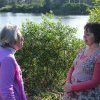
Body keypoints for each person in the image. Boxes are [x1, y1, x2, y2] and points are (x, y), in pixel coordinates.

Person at [62, 22, 100, 100]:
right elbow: (72, 68)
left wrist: (72, 87)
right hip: (70, 93)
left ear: (96, 36)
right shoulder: (82, 50)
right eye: (84, 34)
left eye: (88, 34)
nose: (84, 36)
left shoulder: (98, 54)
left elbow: (95, 81)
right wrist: (68, 83)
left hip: (86, 95)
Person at [0, 24, 27, 100]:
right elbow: (6, 90)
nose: (23, 39)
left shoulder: (2, 52)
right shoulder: (8, 58)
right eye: (20, 37)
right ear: (14, 39)